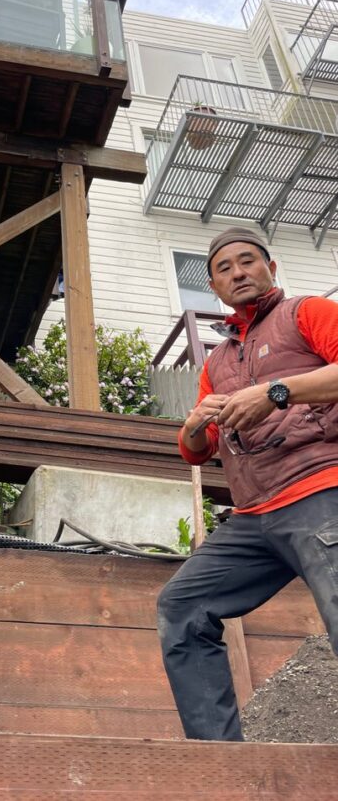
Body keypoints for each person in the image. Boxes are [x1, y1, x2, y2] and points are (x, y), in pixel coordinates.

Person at [157, 225, 338, 741]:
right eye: (224, 268)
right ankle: (223, 764)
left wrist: (277, 391)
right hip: (254, 516)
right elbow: (198, 449)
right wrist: (194, 424)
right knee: (183, 605)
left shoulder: (307, 314)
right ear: (213, 286)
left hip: (320, 491)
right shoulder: (216, 361)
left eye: (248, 261)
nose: (238, 272)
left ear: (271, 268)